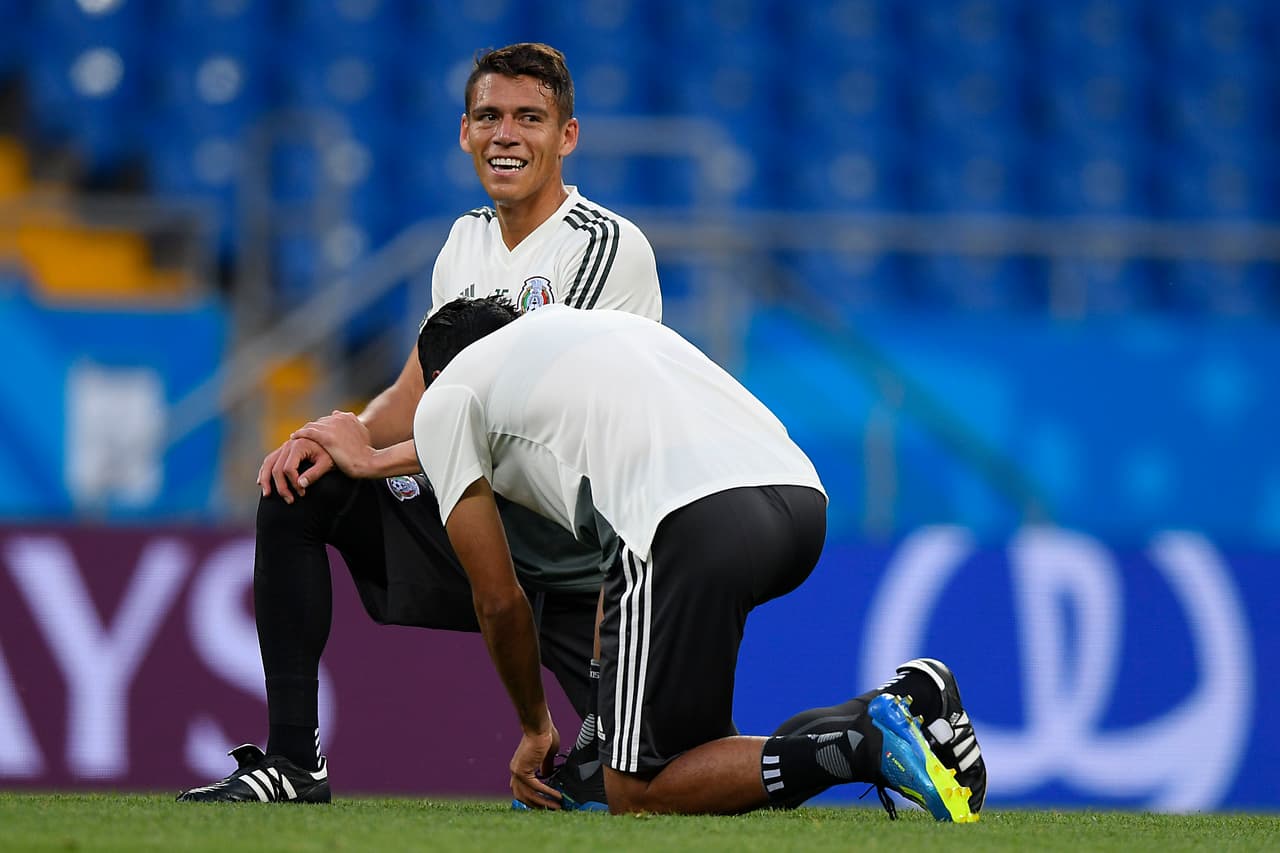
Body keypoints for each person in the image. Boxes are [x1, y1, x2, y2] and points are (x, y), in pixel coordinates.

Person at [177, 43, 661, 804]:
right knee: (304, 486)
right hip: (484, 532)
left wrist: (377, 461)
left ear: (567, 136)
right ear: (463, 132)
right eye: (489, 116)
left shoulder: (602, 247)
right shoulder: (463, 240)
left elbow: (542, 417)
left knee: (653, 777)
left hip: (582, 569)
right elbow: (422, 386)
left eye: (530, 118)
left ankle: (846, 742)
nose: (506, 134)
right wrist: (340, 436)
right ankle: (294, 760)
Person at [297, 296, 986, 820]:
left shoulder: (448, 395)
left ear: (436, 371)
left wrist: (538, 727)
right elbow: (612, 565)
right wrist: (601, 715)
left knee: (638, 788)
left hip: (688, 516)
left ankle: (862, 741)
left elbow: (497, 597)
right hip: (799, 502)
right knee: (702, 752)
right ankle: (902, 704)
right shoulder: (591, 334)